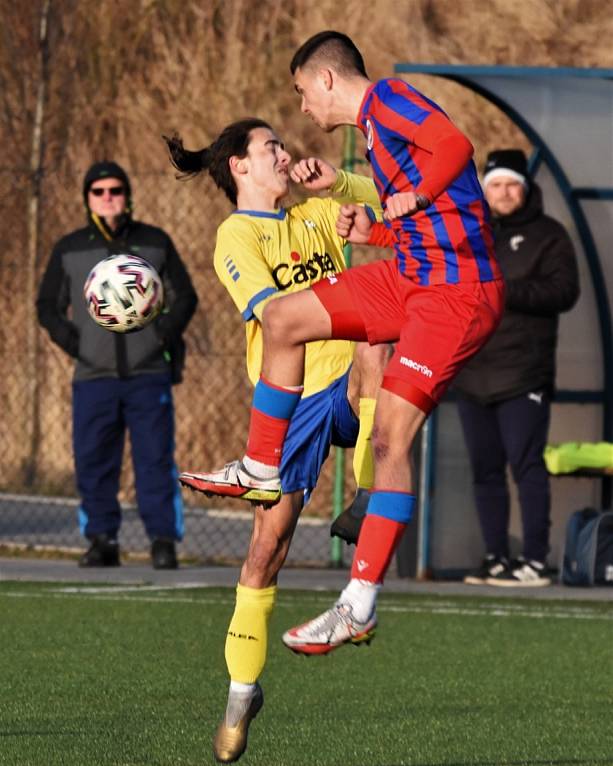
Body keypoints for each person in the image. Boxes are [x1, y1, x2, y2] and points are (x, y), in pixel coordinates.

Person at [189, 30, 504, 657]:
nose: (303, 109)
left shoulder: (387, 100)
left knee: (391, 434)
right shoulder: (371, 136)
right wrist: (380, 230)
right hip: (409, 275)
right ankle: (259, 464)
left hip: (456, 294)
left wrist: (416, 193)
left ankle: (357, 604)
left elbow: (456, 146)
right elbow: (432, 225)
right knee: (283, 320)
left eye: (303, 92)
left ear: (326, 80)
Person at [166, 119, 389, 763]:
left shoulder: (317, 210)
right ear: (240, 166)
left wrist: (339, 182)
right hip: (291, 405)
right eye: (271, 148)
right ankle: (241, 692)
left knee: (379, 340)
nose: (285, 154)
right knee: (268, 548)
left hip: (344, 380)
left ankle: (367, 498)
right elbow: (272, 314)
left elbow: (396, 202)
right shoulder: (236, 234)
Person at [37, 161, 198, 570]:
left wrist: (161, 334)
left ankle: (162, 541)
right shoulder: (70, 248)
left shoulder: (155, 242)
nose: (108, 198)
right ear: (88, 198)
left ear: (128, 196)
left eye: (116, 190)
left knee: (155, 460)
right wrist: (76, 343)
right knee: (93, 459)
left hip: (148, 376)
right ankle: (101, 539)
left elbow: (185, 298)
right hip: (94, 377)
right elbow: (47, 306)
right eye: (99, 192)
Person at [455, 149, 580, 587]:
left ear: (525, 189)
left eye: (511, 185)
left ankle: (534, 560)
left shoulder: (550, 236)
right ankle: (495, 557)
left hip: (523, 373)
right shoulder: (471, 232)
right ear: (484, 190)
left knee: (526, 467)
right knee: (484, 470)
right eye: (495, 185)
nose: (503, 193)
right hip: (471, 372)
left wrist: (503, 290)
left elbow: (564, 292)